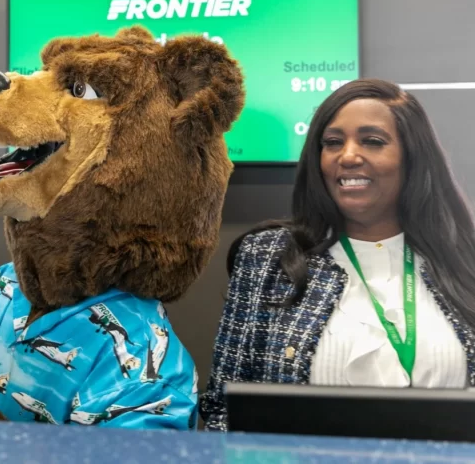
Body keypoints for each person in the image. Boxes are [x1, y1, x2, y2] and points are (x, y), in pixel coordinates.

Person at [201, 78, 475, 432]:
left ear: (413, 157)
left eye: (372, 141)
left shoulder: (463, 258)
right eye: (332, 143)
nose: (347, 156)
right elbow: (223, 411)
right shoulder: (267, 258)